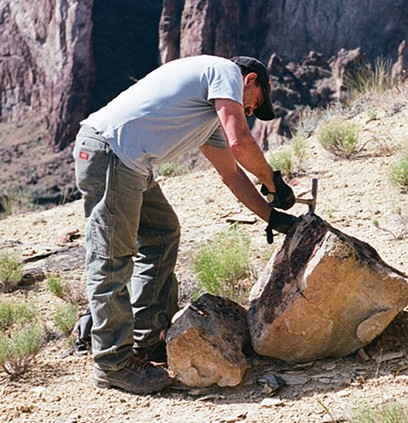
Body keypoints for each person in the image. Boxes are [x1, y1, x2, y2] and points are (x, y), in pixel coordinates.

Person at [73, 55, 298, 394]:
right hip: (111, 154)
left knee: (162, 233)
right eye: (254, 104)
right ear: (249, 80)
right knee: (112, 260)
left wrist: (273, 217)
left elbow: (231, 174)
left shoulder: (206, 119)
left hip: (128, 161)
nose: (248, 112)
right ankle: (112, 365)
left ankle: (146, 341)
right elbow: (240, 142)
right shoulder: (224, 72)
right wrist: (272, 181)